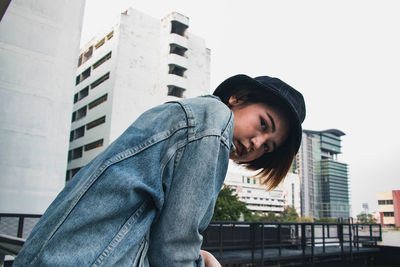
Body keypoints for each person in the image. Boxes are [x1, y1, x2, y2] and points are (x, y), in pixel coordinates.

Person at [14, 74, 306, 267]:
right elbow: (173, 251)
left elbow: (151, 228)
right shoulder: (214, 120)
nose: (257, 143)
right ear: (238, 98)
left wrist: (198, 255)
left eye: (267, 147)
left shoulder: (186, 115)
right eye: (263, 124)